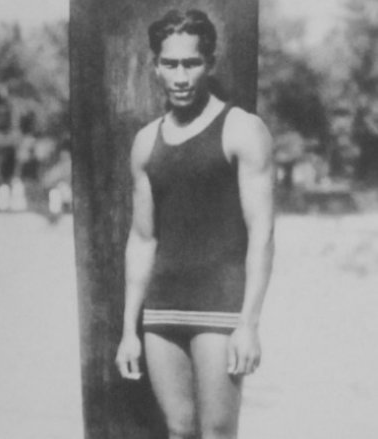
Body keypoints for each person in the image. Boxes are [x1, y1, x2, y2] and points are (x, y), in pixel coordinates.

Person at [115, 9, 275, 439]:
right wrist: (129, 330)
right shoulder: (146, 142)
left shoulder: (242, 130)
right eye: (170, 64)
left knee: (218, 432)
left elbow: (262, 235)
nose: (181, 76)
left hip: (220, 308)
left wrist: (249, 324)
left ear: (210, 64)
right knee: (179, 429)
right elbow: (142, 238)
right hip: (163, 306)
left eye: (191, 63)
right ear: (155, 66)